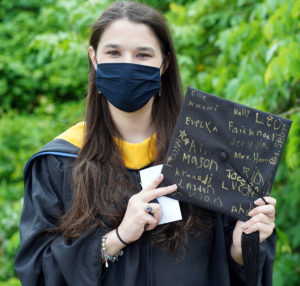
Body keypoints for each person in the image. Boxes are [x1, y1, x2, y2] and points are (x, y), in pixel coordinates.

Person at [15, 1, 276, 285]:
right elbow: (37, 270)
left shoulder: (207, 153)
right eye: (113, 53)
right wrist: (116, 238)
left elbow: (233, 267)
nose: (127, 64)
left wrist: (241, 249)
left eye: (142, 55)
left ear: (164, 63)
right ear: (93, 57)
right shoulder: (59, 161)